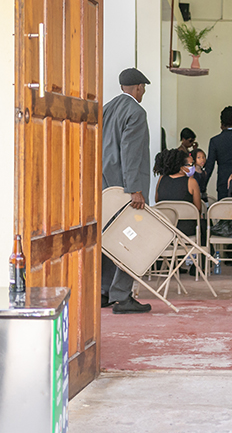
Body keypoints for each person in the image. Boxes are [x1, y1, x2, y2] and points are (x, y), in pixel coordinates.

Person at [100, 67, 153, 315]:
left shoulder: (107, 108)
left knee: (108, 240)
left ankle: (103, 292)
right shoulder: (136, 112)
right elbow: (130, 154)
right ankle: (122, 296)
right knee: (130, 240)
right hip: (125, 189)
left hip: (105, 187)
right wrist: (135, 190)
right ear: (139, 88)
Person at [154, 149, 203, 267]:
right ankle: (200, 266)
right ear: (181, 167)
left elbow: (157, 201)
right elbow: (197, 209)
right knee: (204, 224)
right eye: (190, 165)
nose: (193, 167)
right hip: (185, 229)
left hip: (166, 227)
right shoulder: (191, 182)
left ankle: (170, 264)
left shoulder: (161, 179)